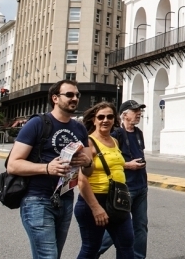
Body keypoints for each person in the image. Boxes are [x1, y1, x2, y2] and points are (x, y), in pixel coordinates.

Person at [8, 79, 92, 259]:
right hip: (36, 199)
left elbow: (88, 170)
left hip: (65, 199)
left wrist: (87, 162)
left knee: (53, 255)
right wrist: (47, 168)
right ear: (55, 98)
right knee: (48, 256)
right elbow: (13, 164)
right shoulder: (38, 123)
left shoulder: (80, 128)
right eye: (69, 95)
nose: (75, 98)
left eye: (77, 95)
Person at [75, 102, 135, 259]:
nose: (105, 120)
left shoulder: (114, 141)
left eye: (109, 117)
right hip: (93, 201)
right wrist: (96, 208)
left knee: (127, 244)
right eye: (101, 117)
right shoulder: (88, 143)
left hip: (116, 200)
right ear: (94, 120)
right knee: (91, 248)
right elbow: (82, 181)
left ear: (114, 119)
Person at [98, 100, 148, 259]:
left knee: (140, 226)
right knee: (116, 226)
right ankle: (91, 252)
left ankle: (138, 257)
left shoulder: (139, 133)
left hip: (141, 186)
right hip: (125, 188)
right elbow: (109, 161)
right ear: (125, 115)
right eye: (135, 111)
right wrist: (128, 165)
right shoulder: (116, 135)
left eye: (140, 110)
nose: (139, 113)